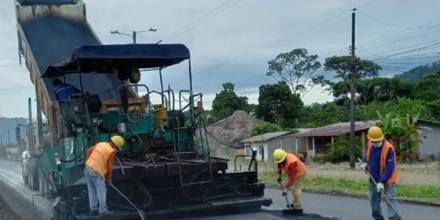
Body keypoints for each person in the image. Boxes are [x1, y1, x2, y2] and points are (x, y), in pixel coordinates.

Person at [362, 126, 401, 220]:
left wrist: (382, 182)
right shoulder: (370, 144)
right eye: (373, 141)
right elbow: (367, 156)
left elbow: (390, 166)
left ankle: (394, 218)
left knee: (390, 200)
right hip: (373, 179)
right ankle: (378, 218)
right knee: (373, 200)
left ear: (382, 137)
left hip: (388, 180)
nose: (375, 143)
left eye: (377, 141)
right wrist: (365, 163)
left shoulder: (389, 148)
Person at [84, 135, 125, 216]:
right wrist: (109, 178)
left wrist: (88, 161)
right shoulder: (111, 151)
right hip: (97, 170)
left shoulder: (101, 144)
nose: (116, 149)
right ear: (116, 145)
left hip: (88, 168)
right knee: (101, 190)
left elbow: (88, 150)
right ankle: (103, 210)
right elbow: (110, 166)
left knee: (92, 190)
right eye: (117, 147)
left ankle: (93, 209)